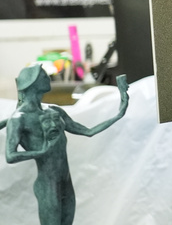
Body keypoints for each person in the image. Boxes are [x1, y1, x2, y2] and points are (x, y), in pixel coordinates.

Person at [4, 65, 129, 225]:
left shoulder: (54, 111)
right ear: (32, 83)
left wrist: (119, 114)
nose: (48, 79)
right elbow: (10, 155)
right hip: (48, 185)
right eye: (44, 76)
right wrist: (41, 152)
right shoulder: (19, 119)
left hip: (65, 182)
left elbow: (88, 131)